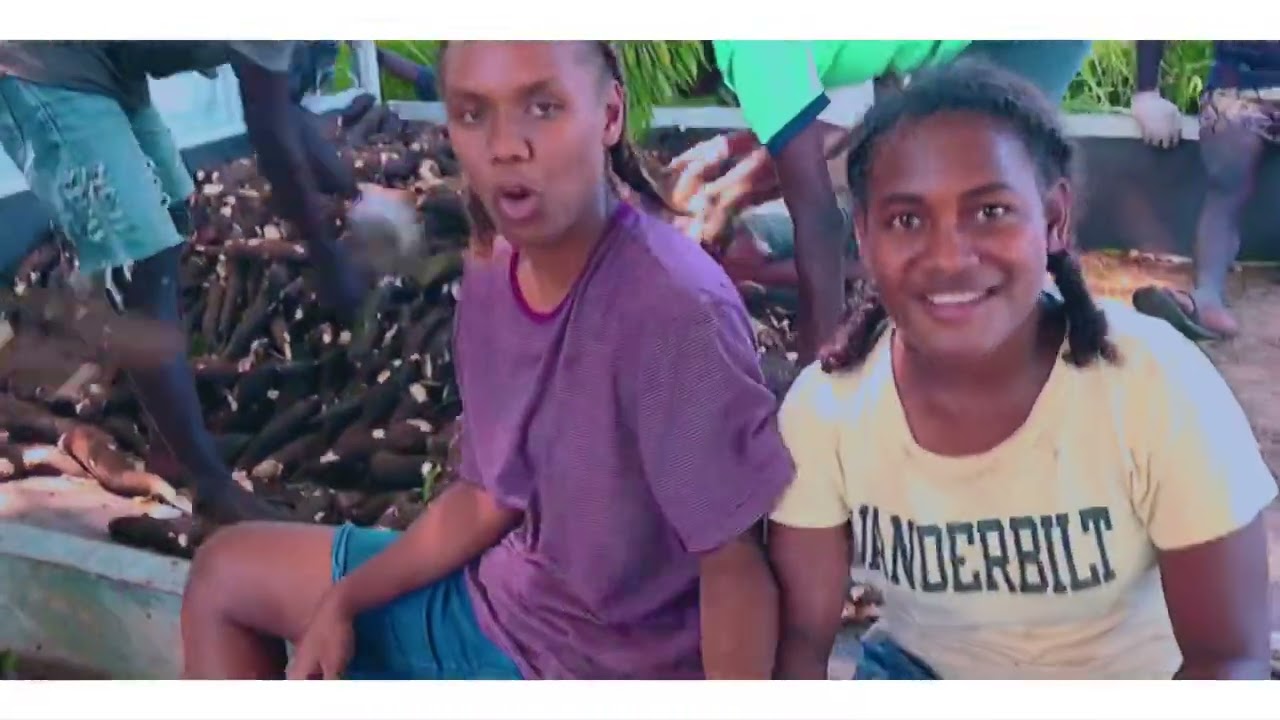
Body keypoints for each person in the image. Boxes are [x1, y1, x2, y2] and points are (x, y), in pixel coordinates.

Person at [180, 40, 793, 681]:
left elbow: (734, 570)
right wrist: (343, 599)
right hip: (504, 610)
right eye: (474, 114)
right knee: (225, 573)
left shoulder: (672, 308)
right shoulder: (495, 266)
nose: (505, 146)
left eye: (543, 107)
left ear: (610, 115)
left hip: (609, 667)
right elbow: (488, 495)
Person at [767, 60, 1275, 680]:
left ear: (1055, 219)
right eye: (907, 220)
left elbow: (1229, 658)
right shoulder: (829, 409)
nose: (950, 256)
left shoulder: (1155, 385)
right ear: (866, 238)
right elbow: (799, 643)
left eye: (990, 212)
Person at [0, 41, 381, 523]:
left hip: (106, 65)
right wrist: (328, 256)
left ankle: (170, 444)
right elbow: (272, 132)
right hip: (44, 64)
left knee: (174, 212)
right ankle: (210, 488)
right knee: (142, 255)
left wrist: (357, 196)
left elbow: (284, 109)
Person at [667, 40, 1093, 363]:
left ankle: (1047, 339)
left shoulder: (755, 47)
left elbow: (819, 218)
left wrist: (818, 373)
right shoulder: (804, 48)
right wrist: (726, 181)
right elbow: (838, 125)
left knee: (955, 205)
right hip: (944, 50)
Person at [1129, 41, 1280, 340]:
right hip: (1240, 84)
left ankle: (1207, 299)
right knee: (1227, 181)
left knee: (1226, 189)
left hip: (1239, 87)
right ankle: (1206, 300)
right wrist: (1146, 94)